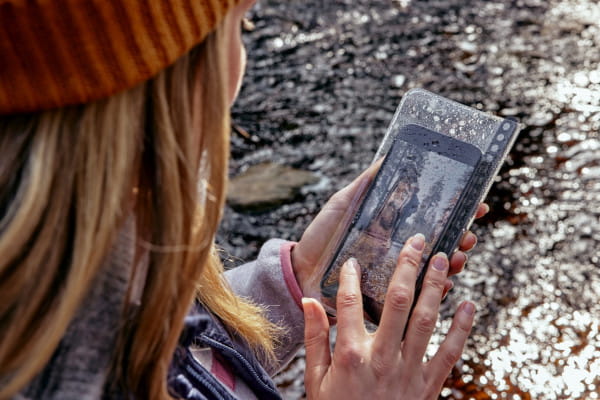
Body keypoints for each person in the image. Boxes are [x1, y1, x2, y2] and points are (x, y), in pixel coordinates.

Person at [0, 0, 486, 399]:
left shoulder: (96, 269)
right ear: (170, 76)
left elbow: (190, 356)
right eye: (240, 25)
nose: (240, 66)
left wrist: (297, 283)